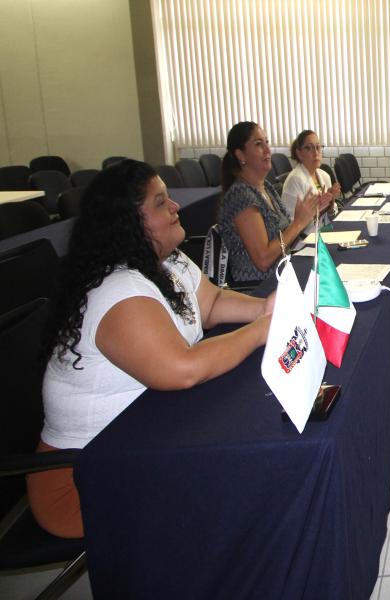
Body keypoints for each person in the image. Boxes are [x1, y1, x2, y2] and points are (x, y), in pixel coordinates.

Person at [29, 160, 276, 538]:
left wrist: (263, 307)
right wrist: (260, 331)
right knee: (246, 472)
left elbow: (209, 305)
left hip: (142, 439)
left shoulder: (167, 262)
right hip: (83, 476)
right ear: (129, 222)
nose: (175, 206)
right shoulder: (117, 290)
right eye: (161, 203)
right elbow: (183, 369)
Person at [218, 122, 330, 282]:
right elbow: (264, 260)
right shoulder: (241, 196)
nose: (268, 150)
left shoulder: (267, 188)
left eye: (267, 143)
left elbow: (286, 242)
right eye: (258, 144)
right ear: (241, 155)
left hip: (284, 275)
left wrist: (311, 214)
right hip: (261, 288)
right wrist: (298, 223)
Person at [281, 129, 340, 238]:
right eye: (309, 148)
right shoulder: (294, 180)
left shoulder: (324, 176)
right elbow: (293, 227)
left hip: (325, 233)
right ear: (299, 154)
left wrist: (330, 204)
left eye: (318, 147)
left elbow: (331, 215)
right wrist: (321, 207)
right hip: (306, 241)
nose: (316, 152)